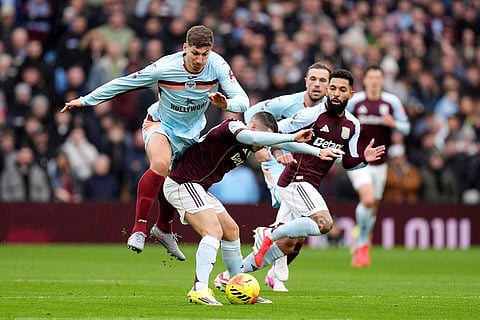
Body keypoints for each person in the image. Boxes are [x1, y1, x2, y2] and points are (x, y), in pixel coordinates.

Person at [61, 25, 249, 259]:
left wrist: (226, 105)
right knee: (160, 164)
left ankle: (163, 228)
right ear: (185, 48)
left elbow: (243, 101)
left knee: (176, 179)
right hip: (160, 125)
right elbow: (124, 83)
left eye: (205, 54)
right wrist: (86, 101)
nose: (200, 60)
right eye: (195, 53)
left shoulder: (217, 65)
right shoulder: (165, 67)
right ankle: (139, 229)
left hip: (190, 134)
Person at [213, 69, 385, 287]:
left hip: (309, 185)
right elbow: (277, 132)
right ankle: (270, 232)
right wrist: (273, 150)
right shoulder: (311, 114)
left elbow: (348, 161)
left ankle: (228, 277)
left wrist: (364, 159)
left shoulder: (352, 125)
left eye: (342, 90)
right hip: (295, 180)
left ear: (351, 94)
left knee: (286, 245)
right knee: (324, 223)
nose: (335, 93)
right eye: (332, 88)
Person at [163, 111, 333, 305]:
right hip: (182, 183)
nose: (263, 146)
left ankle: (237, 286)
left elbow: (280, 144)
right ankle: (199, 288)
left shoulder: (249, 144)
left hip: (198, 187)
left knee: (231, 231)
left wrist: (316, 151)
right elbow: (255, 137)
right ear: (253, 126)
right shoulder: (233, 127)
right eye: (264, 138)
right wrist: (291, 135)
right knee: (213, 231)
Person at [242, 62, 331, 292]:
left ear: (329, 86)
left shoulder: (327, 111)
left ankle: (260, 267)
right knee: (295, 212)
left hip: (303, 168)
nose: (317, 84)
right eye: (313, 79)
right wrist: (260, 145)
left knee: (299, 228)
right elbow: (252, 113)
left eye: (323, 80)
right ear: (306, 81)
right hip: (277, 163)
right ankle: (273, 259)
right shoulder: (288, 102)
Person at [345, 65, 410, 267]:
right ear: (364, 80)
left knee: (373, 205)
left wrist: (394, 125)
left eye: (377, 77)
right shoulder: (355, 102)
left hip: (380, 163)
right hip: (358, 160)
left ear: (382, 81)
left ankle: (362, 236)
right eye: (370, 77)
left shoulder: (391, 102)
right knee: (368, 198)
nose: (374, 81)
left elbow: (406, 127)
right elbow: (340, 120)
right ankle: (362, 243)